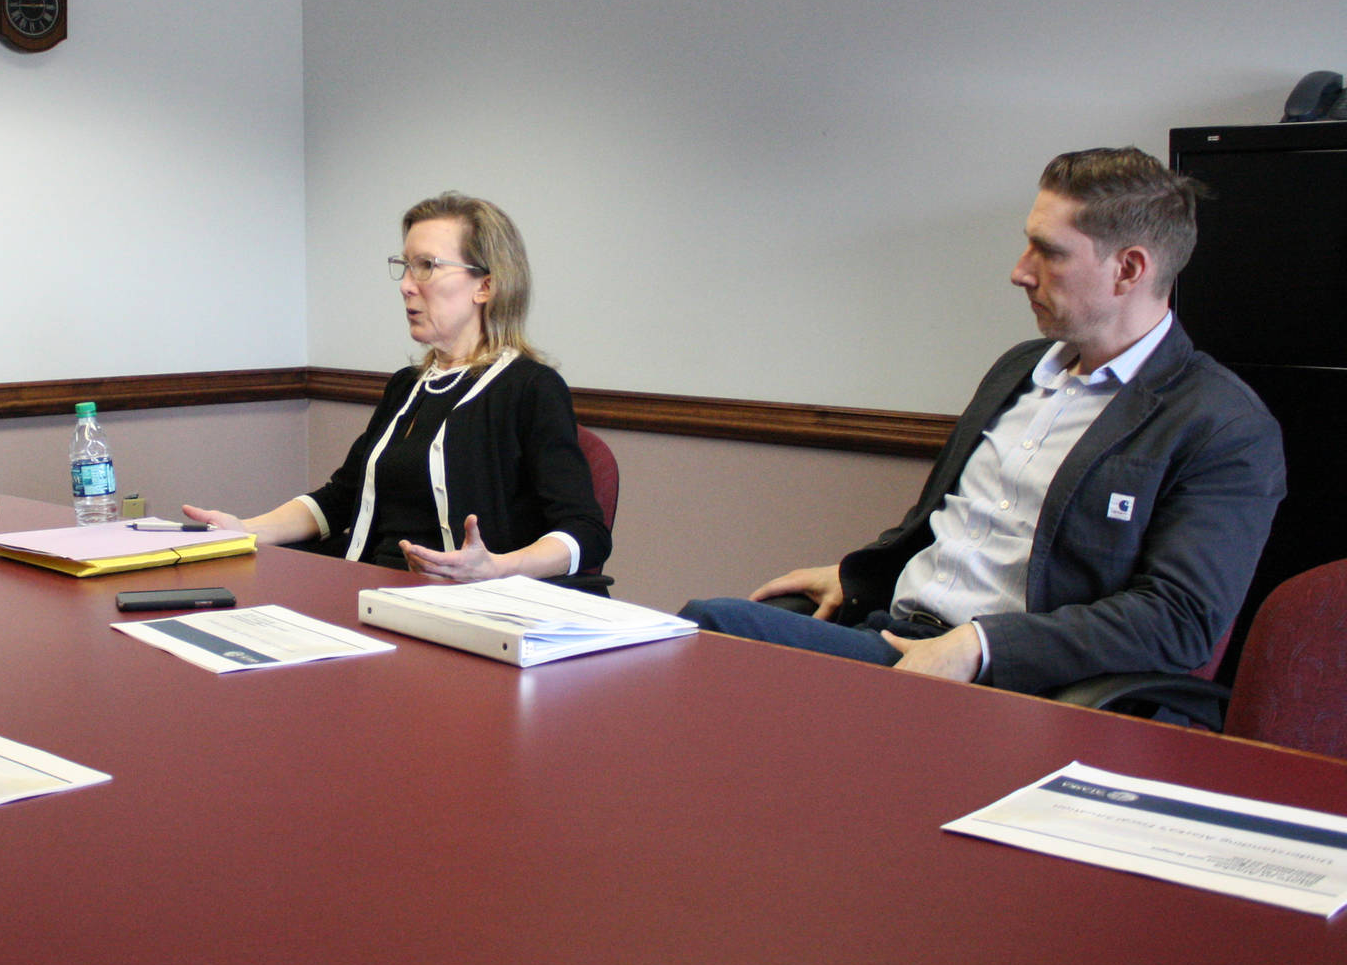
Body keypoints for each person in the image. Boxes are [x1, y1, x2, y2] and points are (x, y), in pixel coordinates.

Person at [680, 147, 1286, 695]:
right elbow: (949, 527)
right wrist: (856, 574)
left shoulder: (1220, 424)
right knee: (687, 643)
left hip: (1011, 683)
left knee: (703, 631)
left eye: (1049, 252)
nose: (1020, 271)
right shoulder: (1019, 369)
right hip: (894, 631)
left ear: (1129, 270)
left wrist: (981, 646)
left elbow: (1181, 621)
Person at [185, 192, 609, 582]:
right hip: (365, 590)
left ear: (486, 285)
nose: (407, 284)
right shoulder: (408, 387)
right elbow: (340, 498)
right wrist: (246, 530)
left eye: (427, 266)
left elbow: (585, 532)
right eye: (405, 266)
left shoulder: (530, 388)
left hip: (459, 611)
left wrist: (497, 568)